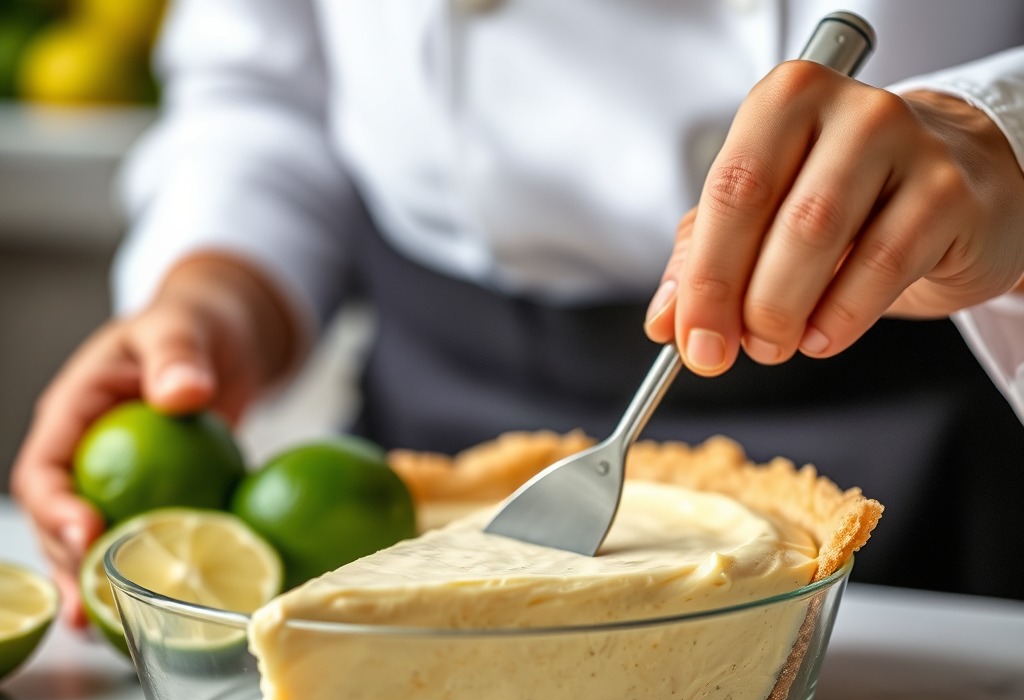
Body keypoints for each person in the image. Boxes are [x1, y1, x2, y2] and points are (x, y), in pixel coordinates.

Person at [10, 0, 1024, 625]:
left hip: (940, 424)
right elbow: (263, 90)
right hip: (424, 417)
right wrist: (217, 292)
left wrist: (1002, 139)